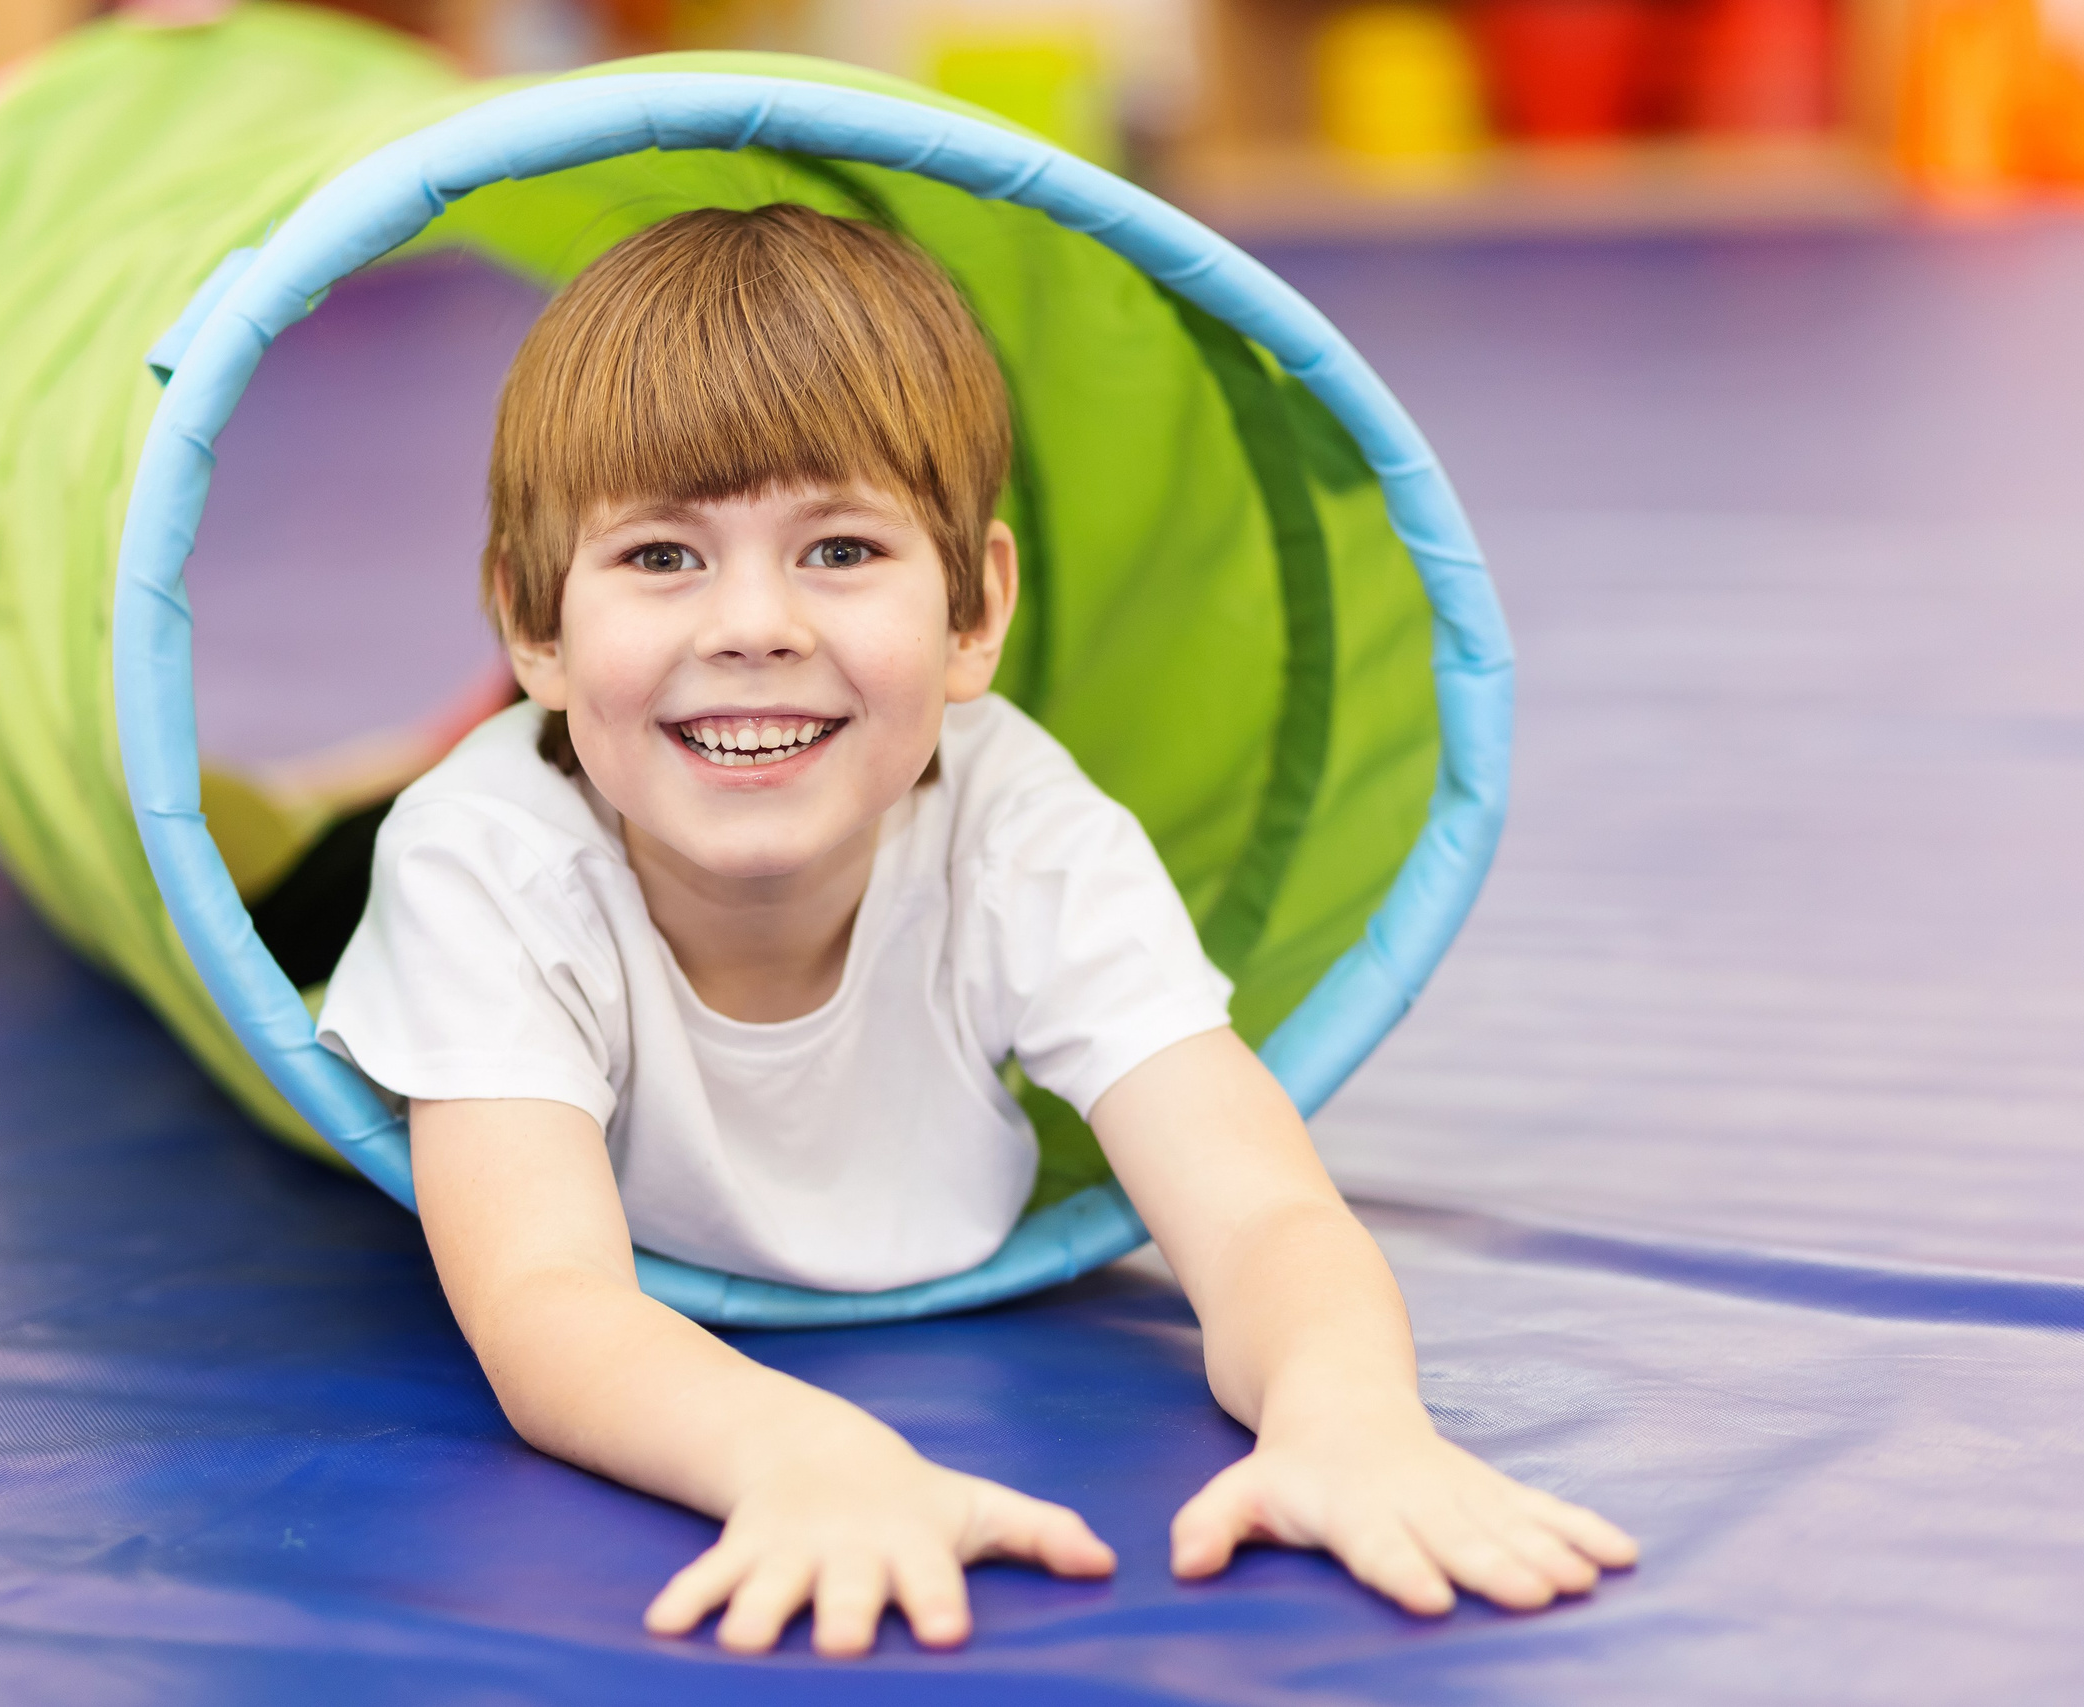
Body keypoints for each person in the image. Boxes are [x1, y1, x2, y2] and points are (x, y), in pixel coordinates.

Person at [313, 203, 1635, 1658]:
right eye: (663, 558)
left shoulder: (1024, 831)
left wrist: (1352, 1417)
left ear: (974, 614)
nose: (754, 623)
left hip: (673, 772)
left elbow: (1259, 1209)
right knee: (313, 862)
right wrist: (804, 1457)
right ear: (533, 624)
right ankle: (335, 786)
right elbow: (543, 1299)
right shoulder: (481, 862)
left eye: (840, 549)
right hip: (408, 858)